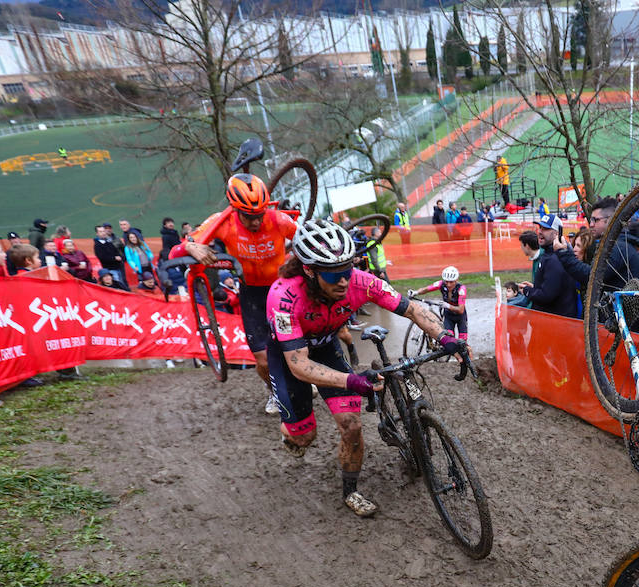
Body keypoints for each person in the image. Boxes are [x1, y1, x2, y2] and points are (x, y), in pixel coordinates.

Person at [266, 219, 459, 517]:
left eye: (348, 270)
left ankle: (350, 491)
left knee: (352, 426)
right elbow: (299, 364)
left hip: (328, 345)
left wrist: (445, 336)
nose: (344, 281)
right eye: (334, 275)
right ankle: (290, 430)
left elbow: (411, 308)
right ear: (309, 271)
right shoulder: (284, 296)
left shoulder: (360, 281)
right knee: (303, 437)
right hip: (291, 355)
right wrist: (353, 381)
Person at [184, 173, 299, 413]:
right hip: (252, 293)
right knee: (263, 359)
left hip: (280, 289)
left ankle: (305, 376)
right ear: (236, 210)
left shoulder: (278, 219)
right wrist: (191, 246)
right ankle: (274, 392)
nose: (256, 222)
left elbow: (306, 240)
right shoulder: (222, 222)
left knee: (295, 347)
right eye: (249, 217)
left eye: (259, 215)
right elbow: (187, 242)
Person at [521, 215, 578, 317]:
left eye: (546, 229)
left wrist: (527, 291)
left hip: (556, 322)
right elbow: (552, 287)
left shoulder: (556, 258)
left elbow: (547, 296)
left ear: (556, 233)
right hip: (552, 319)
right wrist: (535, 288)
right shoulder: (550, 253)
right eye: (540, 228)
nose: (540, 232)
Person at [415, 266, 468, 344]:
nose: (449, 284)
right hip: (448, 316)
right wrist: (416, 292)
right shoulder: (441, 284)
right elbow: (426, 289)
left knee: (462, 343)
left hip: (460, 317)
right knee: (449, 340)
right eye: (446, 282)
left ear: (456, 280)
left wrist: (448, 306)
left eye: (451, 282)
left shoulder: (461, 289)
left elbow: (461, 310)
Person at [93, 223, 127, 288]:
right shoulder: (97, 245)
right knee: (117, 286)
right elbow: (102, 257)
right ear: (97, 233)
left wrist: (119, 257)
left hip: (118, 267)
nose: (103, 233)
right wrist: (114, 258)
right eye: (100, 232)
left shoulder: (108, 241)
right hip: (110, 269)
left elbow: (115, 251)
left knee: (122, 283)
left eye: (103, 231)